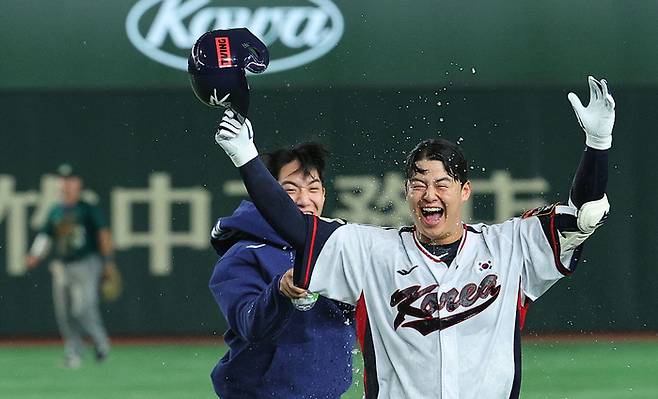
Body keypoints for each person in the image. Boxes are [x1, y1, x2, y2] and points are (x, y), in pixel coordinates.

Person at [213, 76, 613, 398]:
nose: (430, 194)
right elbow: (297, 227)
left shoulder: (510, 248)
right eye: (419, 184)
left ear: (465, 191)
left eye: (442, 183)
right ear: (406, 192)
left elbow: (584, 215)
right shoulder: (371, 252)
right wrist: (245, 157)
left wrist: (597, 144)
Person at [208, 142, 356, 398]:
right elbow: (249, 324)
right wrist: (279, 291)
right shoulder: (243, 253)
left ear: (324, 195)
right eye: (290, 189)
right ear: (268, 196)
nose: (304, 199)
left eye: (313, 189)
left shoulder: (340, 249)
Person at [26, 164, 115, 368]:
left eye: (71, 180)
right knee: (64, 312)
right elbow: (45, 235)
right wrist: (34, 254)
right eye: (64, 180)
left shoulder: (87, 208)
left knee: (83, 308)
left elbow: (103, 234)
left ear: (79, 184)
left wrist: (108, 262)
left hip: (87, 263)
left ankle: (101, 344)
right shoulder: (56, 210)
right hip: (62, 266)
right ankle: (74, 352)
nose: (67, 184)